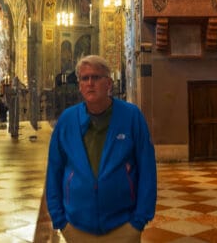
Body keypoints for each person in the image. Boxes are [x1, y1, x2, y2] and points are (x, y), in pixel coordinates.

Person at [46, 55, 156, 241]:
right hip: (77, 227)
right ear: (80, 85)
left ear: (109, 83)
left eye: (96, 77)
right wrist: (60, 220)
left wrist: (139, 221)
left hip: (123, 227)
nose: (90, 83)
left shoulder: (131, 116)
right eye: (84, 78)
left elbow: (147, 169)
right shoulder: (67, 120)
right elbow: (54, 170)